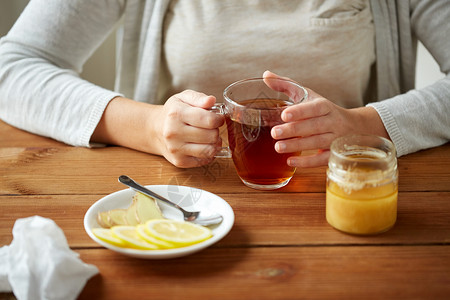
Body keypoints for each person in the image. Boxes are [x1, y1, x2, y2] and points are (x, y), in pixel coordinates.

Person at [0, 0, 449, 169]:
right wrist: (150, 126)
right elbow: (12, 66)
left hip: (345, 197)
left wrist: (363, 125)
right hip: (182, 207)